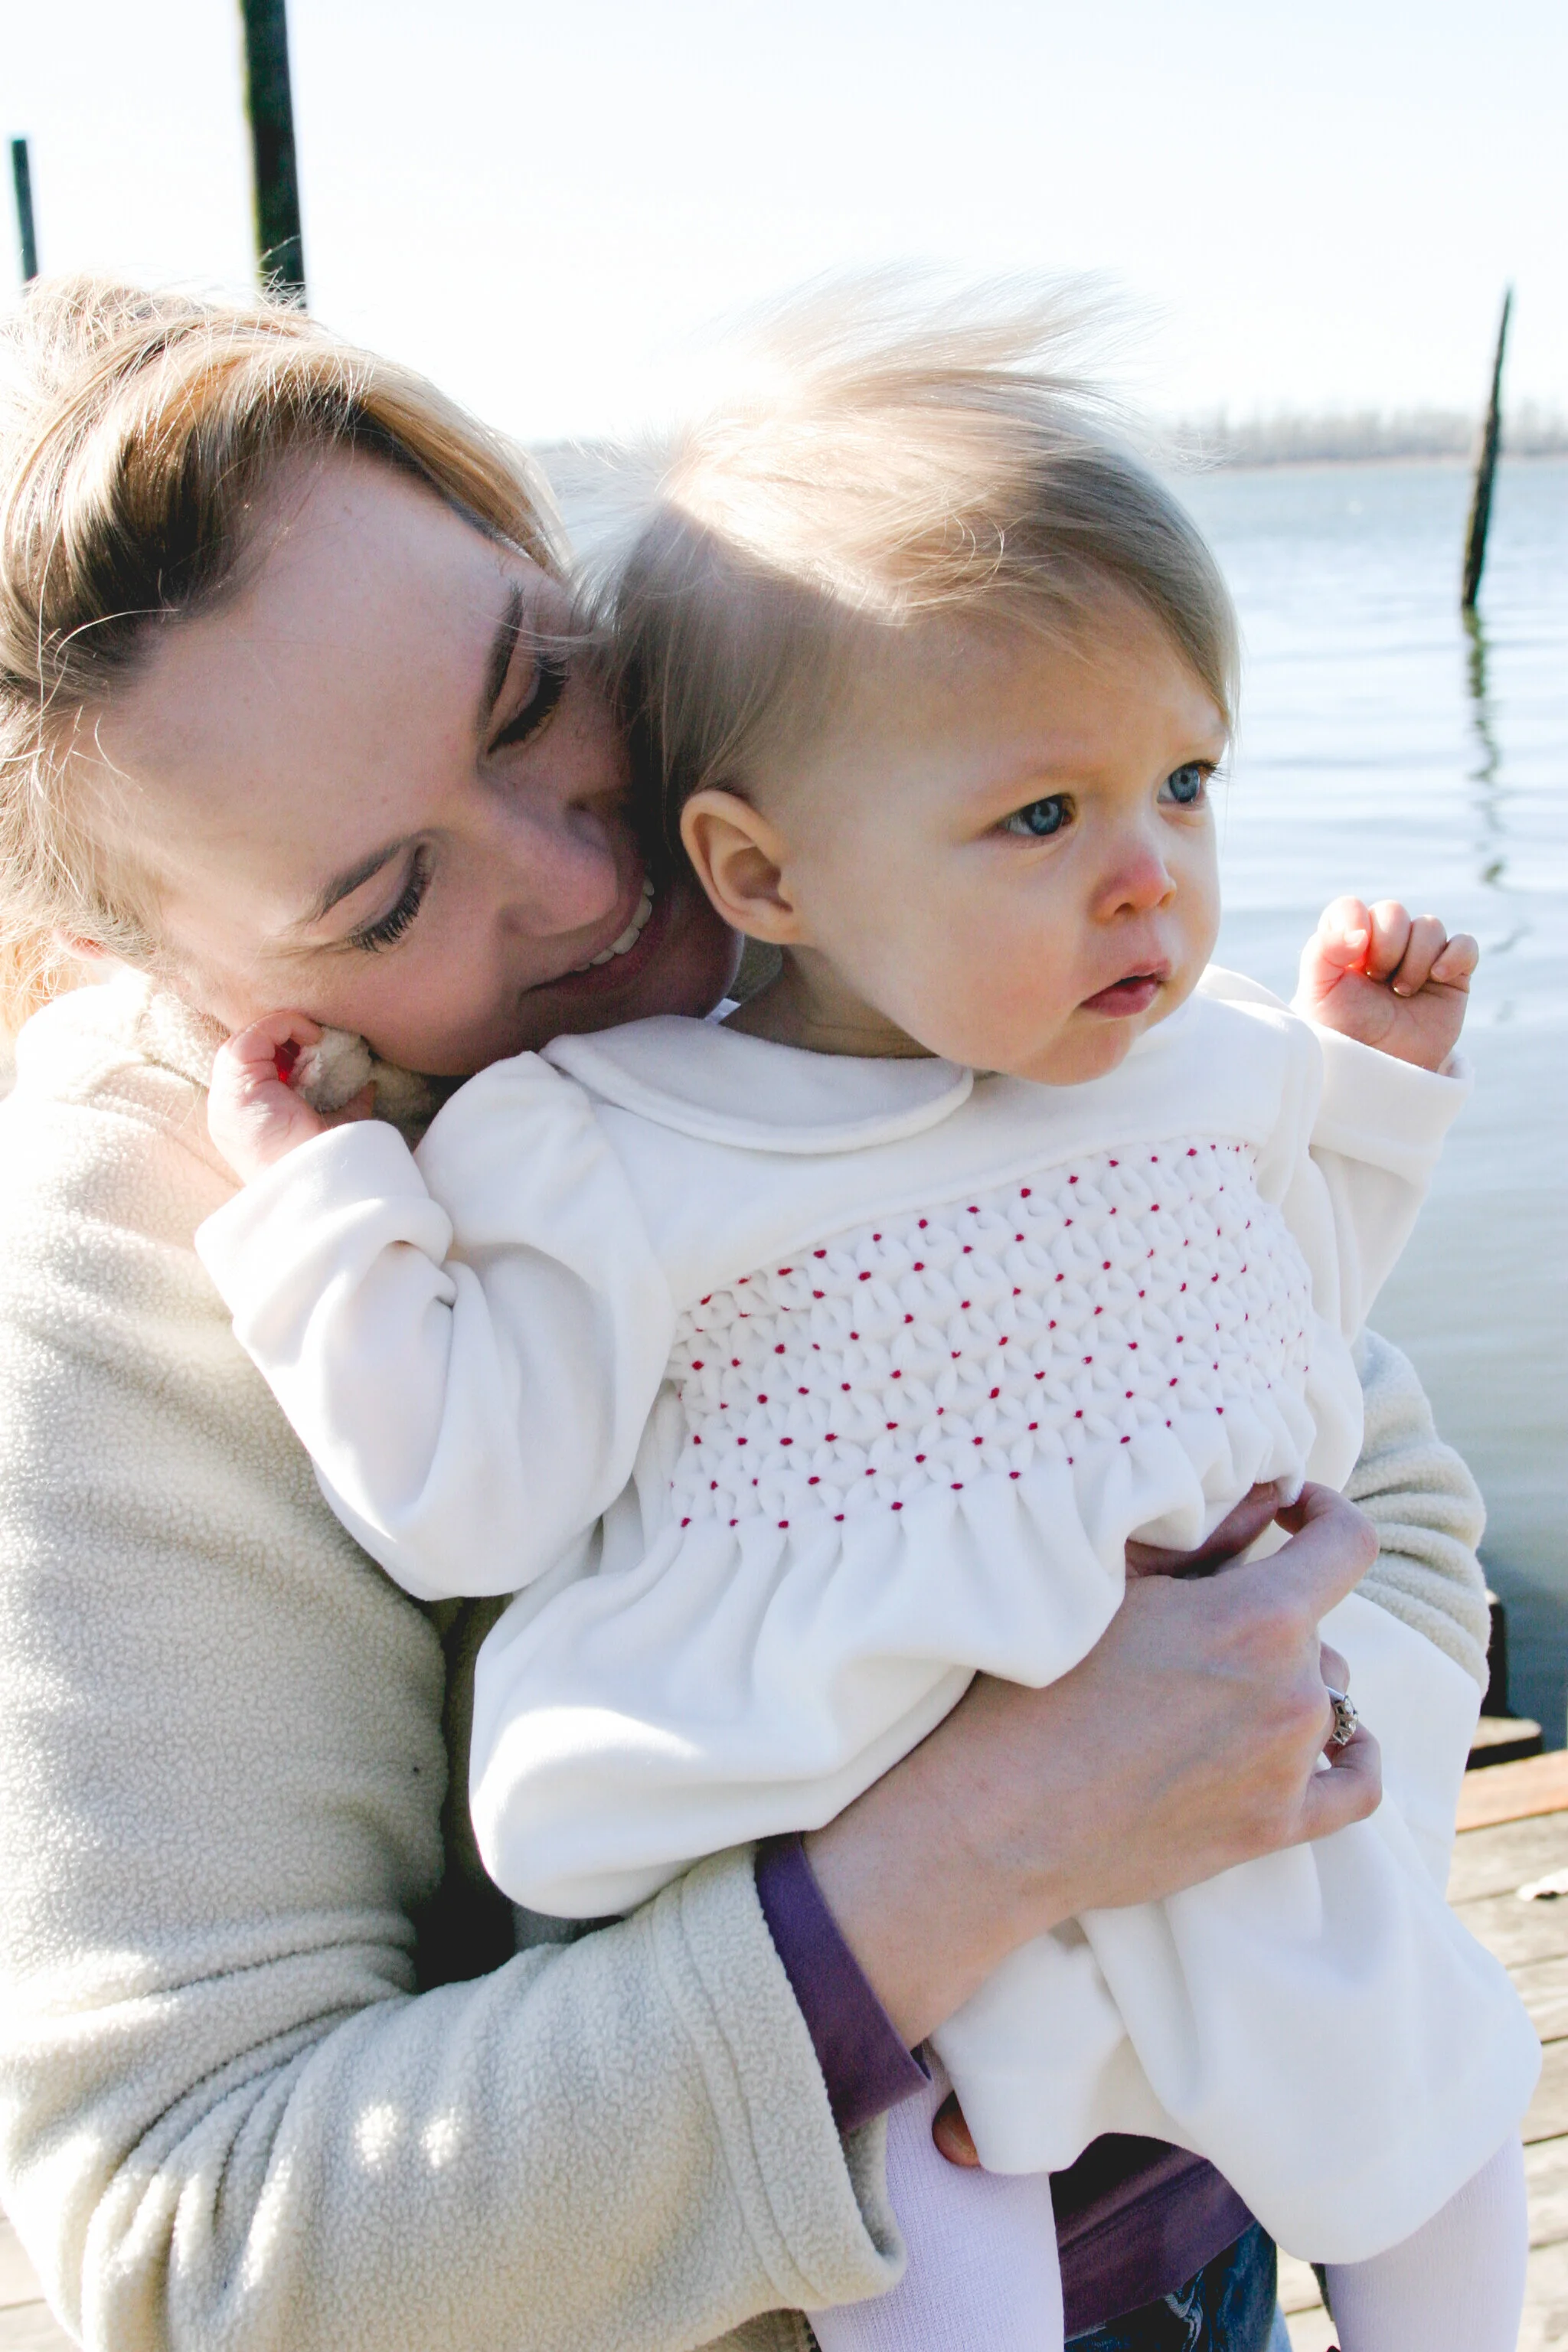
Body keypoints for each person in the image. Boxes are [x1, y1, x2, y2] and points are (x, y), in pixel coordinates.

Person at [0, 276, 1494, 2352]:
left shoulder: (873, 892)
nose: (588, 882)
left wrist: (1261, 1876)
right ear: (146, 961)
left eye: (536, 696)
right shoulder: (138, 1237)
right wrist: (981, 1854)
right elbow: (199, 2240)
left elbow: (1385, 1492)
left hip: (1215, 2232)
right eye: (387, 899)